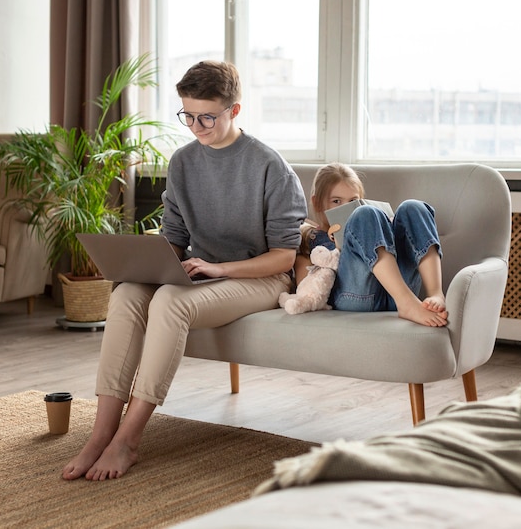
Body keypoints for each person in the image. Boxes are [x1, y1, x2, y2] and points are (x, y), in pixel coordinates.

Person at [62, 60, 307, 481]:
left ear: (234, 110)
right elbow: (174, 236)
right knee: (125, 293)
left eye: (207, 116)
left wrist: (219, 268)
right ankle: (102, 431)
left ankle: (129, 439)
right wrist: (142, 263)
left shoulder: (269, 166)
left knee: (172, 301)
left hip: (259, 278)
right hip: (201, 271)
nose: (196, 125)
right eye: (188, 115)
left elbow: (284, 257)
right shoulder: (182, 163)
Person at [296, 162, 448, 327]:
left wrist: (388, 229)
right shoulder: (310, 236)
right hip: (355, 297)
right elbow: (306, 288)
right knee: (364, 214)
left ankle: (436, 293)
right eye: (336, 201)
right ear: (317, 203)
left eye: (353, 200)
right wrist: (338, 250)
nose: (346, 207)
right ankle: (406, 303)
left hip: (395, 291)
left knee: (413, 207)